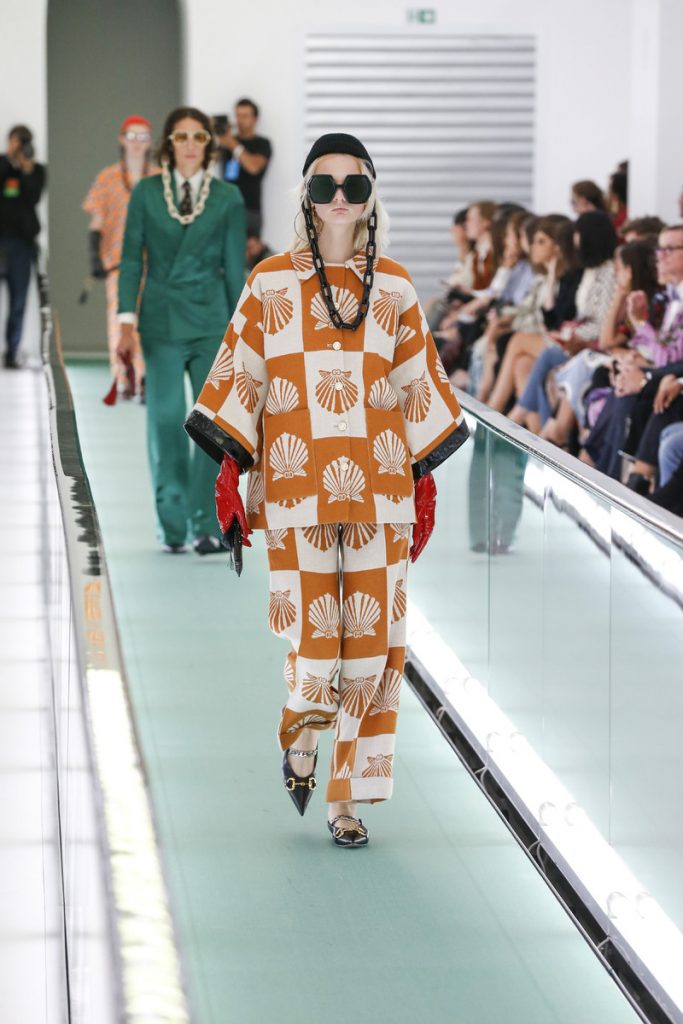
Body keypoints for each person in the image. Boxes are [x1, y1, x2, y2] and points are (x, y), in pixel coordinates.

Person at [185, 132, 469, 848]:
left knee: (372, 648)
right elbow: (242, 375)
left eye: (354, 184)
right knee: (316, 639)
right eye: (323, 185)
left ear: (371, 196)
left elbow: (419, 386)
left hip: (380, 489)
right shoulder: (269, 282)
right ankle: (304, 735)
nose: (339, 197)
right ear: (306, 197)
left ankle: (346, 800)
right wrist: (231, 471)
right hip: (294, 486)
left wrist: (424, 481)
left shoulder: (395, 287)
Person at [117, 106, 246, 555]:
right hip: (162, 320)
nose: (190, 144)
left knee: (209, 425)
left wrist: (243, 332)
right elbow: (131, 258)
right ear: (168, 145)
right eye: (181, 137)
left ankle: (205, 523)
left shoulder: (228, 198)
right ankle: (172, 522)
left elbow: (234, 269)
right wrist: (125, 321)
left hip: (212, 321)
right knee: (166, 419)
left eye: (199, 137)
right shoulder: (147, 193)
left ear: (209, 145)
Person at [83, 115, 156, 401]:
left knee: (148, 321)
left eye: (143, 137)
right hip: (117, 262)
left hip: (154, 263)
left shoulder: (160, 177)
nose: (137, 143)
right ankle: (123, 376)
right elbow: (96, 222)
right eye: (132, 136)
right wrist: (94, 258)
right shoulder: (107, 178)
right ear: (122, 139)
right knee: (120, 320)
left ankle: (145, 377)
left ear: (150, 142)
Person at [0, 125, 46, 368]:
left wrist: (26, 169)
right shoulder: (2, 164)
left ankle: (12, 352)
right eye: (18, 141)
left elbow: (34, 196)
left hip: (22, 245)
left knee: (18, 301)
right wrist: (10, 160)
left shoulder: (36, 170)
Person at [216, 98, 271, 237]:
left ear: (255, 119)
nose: (240, 120)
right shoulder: (226, 143)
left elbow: (253, 167)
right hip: (226, 207)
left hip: (250, 209)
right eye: (238, 115)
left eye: (245, 116)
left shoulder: (262, 143)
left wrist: (232, 143)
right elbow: (208, 161)